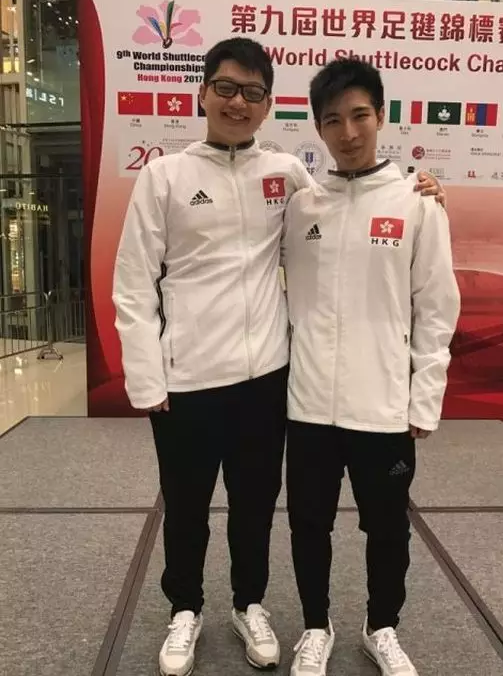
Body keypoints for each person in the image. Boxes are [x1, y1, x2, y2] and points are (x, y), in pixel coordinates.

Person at [112, 38, 443, 676]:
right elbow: (132, 285)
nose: (238, 102)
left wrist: (421, 191)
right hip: (185, 379)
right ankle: (185, 608)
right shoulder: (164, 177)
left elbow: (349, 208)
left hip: (266, 378)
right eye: (226, 88)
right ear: (202, 93)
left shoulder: (289, 175)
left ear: (268, 105)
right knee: (185, 506)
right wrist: (147, 379)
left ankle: (249, 603)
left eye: (253, 93)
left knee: (256, 506)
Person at [282, 59, 461, 676]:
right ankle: (315, 626)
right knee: (308, 524)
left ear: (381, 116)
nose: (349, 132)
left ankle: (381, 627)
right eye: (333, 120)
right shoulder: (301, 206)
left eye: (360, 115)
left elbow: (436, 308)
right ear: (319, 128)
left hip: (382, 406)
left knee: (387, 529)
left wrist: (424, 399)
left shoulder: (417, 203)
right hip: (308, 404)